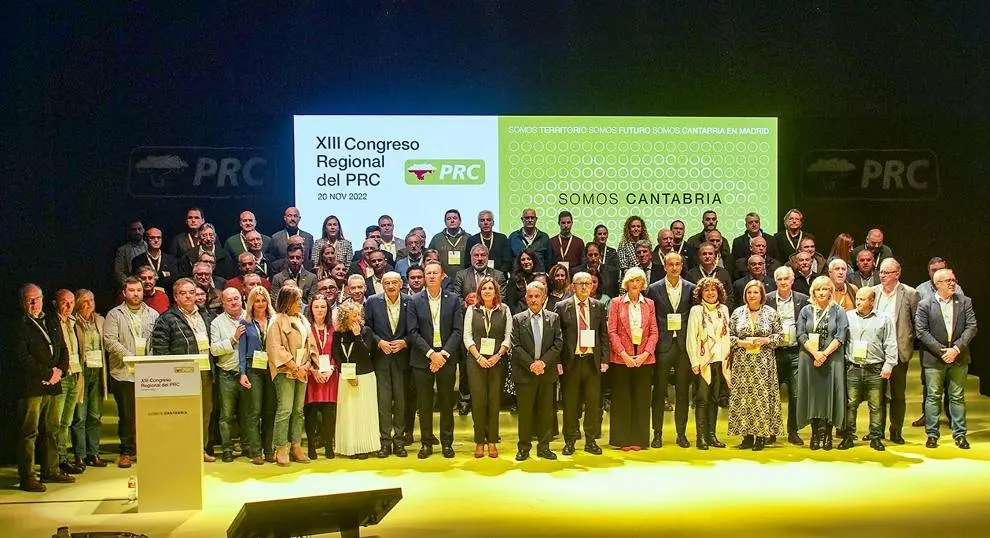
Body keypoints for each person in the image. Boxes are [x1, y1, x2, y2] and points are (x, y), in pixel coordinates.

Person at [14, 284, 75, 492]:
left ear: (42, 299)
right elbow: (22, 358)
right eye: (29, 299)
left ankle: (51, 470)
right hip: (32, 386)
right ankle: (28, 476)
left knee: (52, 429)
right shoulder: (18, 325)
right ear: (22, 301)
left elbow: (63, 349)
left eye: (37, 299)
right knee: (29, 432)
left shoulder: (51, 319)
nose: (33, 303)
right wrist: (47, 374)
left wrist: (59, 372)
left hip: (54, 384)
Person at [150, 278, 217, 462]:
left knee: (205, 413)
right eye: (183, 293)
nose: (188, 296)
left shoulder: (206, 315)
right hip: (181, 375)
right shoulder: (166, 319)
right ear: (175, 297)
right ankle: (181, 451)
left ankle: (200, 449)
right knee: (182, 415)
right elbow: (160, 352)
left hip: (205, 372)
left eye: (191, 292)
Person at [407, 261, 463, 459]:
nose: (431, 276)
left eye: (435, 273)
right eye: (428, 273)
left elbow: (458, 331)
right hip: (423, 359)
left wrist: (443, 354)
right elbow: (412, 332)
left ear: (442, 276)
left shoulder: (454, 299)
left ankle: (447, 443)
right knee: (424, 404)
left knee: (447, 403)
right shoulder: (414, 300)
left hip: (446, 357)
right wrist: (432, 354)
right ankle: (426, 442)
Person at [916, 269, 977, 449]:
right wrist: (943, 351)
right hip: (935, 359)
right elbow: (921, 331)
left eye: (953, 280)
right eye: (948, 280)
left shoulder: (965, 301)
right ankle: (932, 435)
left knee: (957, 396)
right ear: (937, 284)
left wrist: (956, 349)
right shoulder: (925, 304)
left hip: (959, 357)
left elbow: (972, 327)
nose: (952, 283)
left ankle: (960, 434)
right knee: (933, 397)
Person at [104, 277, 158, 468]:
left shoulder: (152, 313)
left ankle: (145, 448)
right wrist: (130, 357)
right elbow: (109, 341)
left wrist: (148, 359)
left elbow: (156, 340)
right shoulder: (114, 314)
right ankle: (127, 451)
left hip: (147, 372)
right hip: (123, 372)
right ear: (124, 293)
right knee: (126, 414)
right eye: (132, 290)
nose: (136, 294)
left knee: (146, 413)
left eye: (139, 290)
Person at [553, 272, 609, 455]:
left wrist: (605, 359)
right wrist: (558, 361)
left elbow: (603, 335)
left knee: (593, 403)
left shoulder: (599, 306)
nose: (585, 286)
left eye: (588, 283)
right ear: (573, 286)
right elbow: (557, 337)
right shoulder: (562, 307)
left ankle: (591, 440)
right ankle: (569, 441)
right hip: (572, 362)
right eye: (580, 283)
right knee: (570, 404)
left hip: (592, 362)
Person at [727, 279, 784, 451]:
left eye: (756, 292)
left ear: (762, 295)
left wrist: (767, 339)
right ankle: (746, 436)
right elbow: (728, 336)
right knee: (744, 398)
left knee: (761, 399)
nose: (752, 295)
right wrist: (741, 343)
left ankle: (761, 436)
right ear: (745, 295)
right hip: (742, 363)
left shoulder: (771, 313)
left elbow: (780, 336)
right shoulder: (737, 313)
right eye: (749, 292)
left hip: (763, 363)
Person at [646, 252, 696, 448]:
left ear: (682, 266)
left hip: (683, 346)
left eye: (678, 264)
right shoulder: (653, 288)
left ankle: (681, 434)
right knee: (659, 392)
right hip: (662, 346)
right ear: (665, 266)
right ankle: (657, 434)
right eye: (670, 264)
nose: (674, 268)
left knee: (683, 392)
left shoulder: (691, 289)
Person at [838, 287, 898, 451]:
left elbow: (890, 343)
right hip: (853, 368)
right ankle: (848, 437)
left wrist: (889, 365)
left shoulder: (884, 319)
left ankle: (876, 438)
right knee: (851, 405)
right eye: (857, 298)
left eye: (862, 299)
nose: (858, 302)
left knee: (876, 405)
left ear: (872, 301)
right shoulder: (847, 317)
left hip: (875, 368)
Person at [607, 267, 659, 451]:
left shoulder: (650, 304)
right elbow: (612, 331)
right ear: (626, 284)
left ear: (643, 284)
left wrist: (645, 354)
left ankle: (639, 439)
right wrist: (624, 354)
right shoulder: (616, 303)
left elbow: (654, 332)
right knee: (622, 399)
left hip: (644, 359)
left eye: (638, 280)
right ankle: (623, 440)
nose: (635, 284)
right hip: (622, 359)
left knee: (642, 399)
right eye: (632, 281)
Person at [511, 280, 563, 460]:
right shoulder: (518, 319)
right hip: (525, 374)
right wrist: (532, 364)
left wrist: (543, 363)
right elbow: (515, 346)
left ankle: (544, 447)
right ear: (526, 298)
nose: (533, 300)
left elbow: (558, 344)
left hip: (546, 374)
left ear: (544, 298)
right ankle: (523, 448)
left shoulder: (553, 318)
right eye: (530, 296)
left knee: (546, 413)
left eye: (537, 296)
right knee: (525, 413)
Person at [796, 276, 849, 451]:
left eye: (825, 289)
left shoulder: (839, 311)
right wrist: (815, 353)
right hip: (809, 359)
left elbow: (841, 335)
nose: (821, 292)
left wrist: (824, 354)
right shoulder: (805, 310)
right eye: (818, 289)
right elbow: (801, 334)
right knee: (813, 395)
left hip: (832, 359)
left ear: (831, 291)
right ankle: (814, 434)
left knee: (829, 396)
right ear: (813, 291)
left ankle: (827, 434)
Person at [464, 276, 513, 458]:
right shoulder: (472, 310)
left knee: (494, 402)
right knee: (478, 402)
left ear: (496, 291)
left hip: (497, 361)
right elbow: (467, 337)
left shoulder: (505, 310)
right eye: (483, 289)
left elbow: (508, 337)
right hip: (475, 362)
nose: (487, 291)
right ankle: (479, 442)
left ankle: (492, 440)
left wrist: (498, 355)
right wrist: (478, 357)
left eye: (490, 288)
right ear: (479, 292)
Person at [871, 259, 919, 444]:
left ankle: (896, 430)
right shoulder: (874, 292)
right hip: (877, 352)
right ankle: (877, 431)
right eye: (881, 272)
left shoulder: (909, 293)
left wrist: (908, 341)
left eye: (886, 272)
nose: (882, 275)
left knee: (898, 395)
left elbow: (916, 323)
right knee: (877, 395)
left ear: (897, 274)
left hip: (899, 352)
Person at [364, 272, 410, 458]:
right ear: (382, 285)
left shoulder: (410, 301)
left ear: (401, 284)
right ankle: (384, 442)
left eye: (394, 282)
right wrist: (378, 342)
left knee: (400, 401)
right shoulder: (373, 302)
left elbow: (415, 329)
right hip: (381, 358)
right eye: (387, 283)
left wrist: (405, 342)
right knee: (383, 402)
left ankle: (399, 441)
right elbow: (367, 328)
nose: (391, 286)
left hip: (402, 358)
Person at [266, 285, 313, 465]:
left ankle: (296, 445)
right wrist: (294, 367)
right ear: (288, 302)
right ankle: (281, 447)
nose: (300, 304)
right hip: (285, 371)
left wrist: (307, 365)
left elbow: (311, 345)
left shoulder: (302, 319)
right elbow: (275, 348)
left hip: (302, 370)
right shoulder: (276, 320)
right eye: (297, 301)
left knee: (298, 411)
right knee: (285, 410)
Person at [685, 277, 732, 449]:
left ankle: (712, 435)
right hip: (704, 362)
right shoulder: (696, 311)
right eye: (707, 290)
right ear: (701, 293)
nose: (711, 293)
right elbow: (691, 337)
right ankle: (701, 437)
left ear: (719, 292)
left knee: (715, 399)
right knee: (702, 399)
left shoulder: (724, 310)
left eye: (713, 290)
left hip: (721, 361)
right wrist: (694, 362)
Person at [766, 266, 810, 445]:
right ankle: (771, 431)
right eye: (780, 279)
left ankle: (793, 431)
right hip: (773, 353)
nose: (783, 282)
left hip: (795, 353)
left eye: (786, 279)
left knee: (796, 395)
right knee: (771, 394)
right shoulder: (767, 299)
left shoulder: (803, 300)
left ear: (792, 281)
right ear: (776, 281)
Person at [236, 285, 276, 465]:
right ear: (251, 303)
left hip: (272, 368)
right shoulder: (245, 323)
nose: (261, 304)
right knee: (254, 411)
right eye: (257, 301)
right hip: (253, 367)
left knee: (270, 411)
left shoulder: (274, 320)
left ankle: (269, 450)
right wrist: (242, 372)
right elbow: (241, 350)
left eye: (263, 300)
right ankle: (255, 451)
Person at [71, 289, 108, 468]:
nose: (89, 304)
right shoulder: (73, 322)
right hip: (81, 372)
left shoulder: (100, 320)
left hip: (98, 370)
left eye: (91, 300)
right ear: (78, 303)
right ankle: (79, 455)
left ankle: (93, 453)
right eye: (84, 301)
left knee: (95, 415)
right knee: (80, 416)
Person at [209, 287, 247, 462]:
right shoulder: (217, 323)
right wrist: (233, 339)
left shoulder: (250, 317)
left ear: (242, 299)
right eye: (229, 300)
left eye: (236, 298)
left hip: (248, 373)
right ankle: (227, 448)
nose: (233, 302)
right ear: (223, 303)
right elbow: (215, 350)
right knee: (226, 415)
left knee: (248, 413)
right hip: (227, 374)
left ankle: (247, 446)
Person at [52, 289, 85, 475]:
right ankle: (56, 460)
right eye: (64, 302)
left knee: (67, 420)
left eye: (71, 302)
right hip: (61, 376)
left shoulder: (73, 322)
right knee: (56, 422)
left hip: (75, 374)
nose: (68, 306)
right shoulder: (52, 322)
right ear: (56, 303)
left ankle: (63, 458)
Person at [301, 294, 338, 460]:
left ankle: (329, 445)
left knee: (329, 413)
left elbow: (338, 352)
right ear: (311, 309)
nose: (320, 310)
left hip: (330, 374)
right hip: (312, 375)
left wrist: (331, 368)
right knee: (311, 413)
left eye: (323, 306)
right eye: (316, 307)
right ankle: (311, 446)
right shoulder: (305, 328)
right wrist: (313, 370)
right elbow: (302, 352)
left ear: (328, 309)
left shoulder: (334, 328)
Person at [428, 209, 469, 279]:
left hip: (465, 279)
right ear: (445, 222)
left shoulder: (469, 238)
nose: (452, 220)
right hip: (442, 279)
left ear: (460, 221)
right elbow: (429, 260)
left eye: (455, 218)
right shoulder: (437, 238)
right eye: (449, 219)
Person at [133, 227, 178, 291]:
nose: (156, 240)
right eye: (152, 237)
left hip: (167, 296)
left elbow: (173, 280)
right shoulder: (137, 261)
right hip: (145, 296)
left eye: (159, 237)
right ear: (146, 239)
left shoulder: (171, 260)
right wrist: (163, 274)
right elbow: (138, 282)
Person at [506, 249, 541, 314]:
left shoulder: (540, 277)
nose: (526, 262)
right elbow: (510, 303)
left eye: (529, 259)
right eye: (523, 260)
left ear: (533, 260)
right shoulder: (514, 278)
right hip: (519, 314)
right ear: (519, 262)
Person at [114, 219, 147, 287]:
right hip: (131, 286)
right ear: (129, 231)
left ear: (143, 230)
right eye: (134, 229)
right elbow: (119, 272)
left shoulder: (150, 247)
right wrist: (130, 285)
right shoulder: (122, 250)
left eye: (139, 229)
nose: (137, 232)